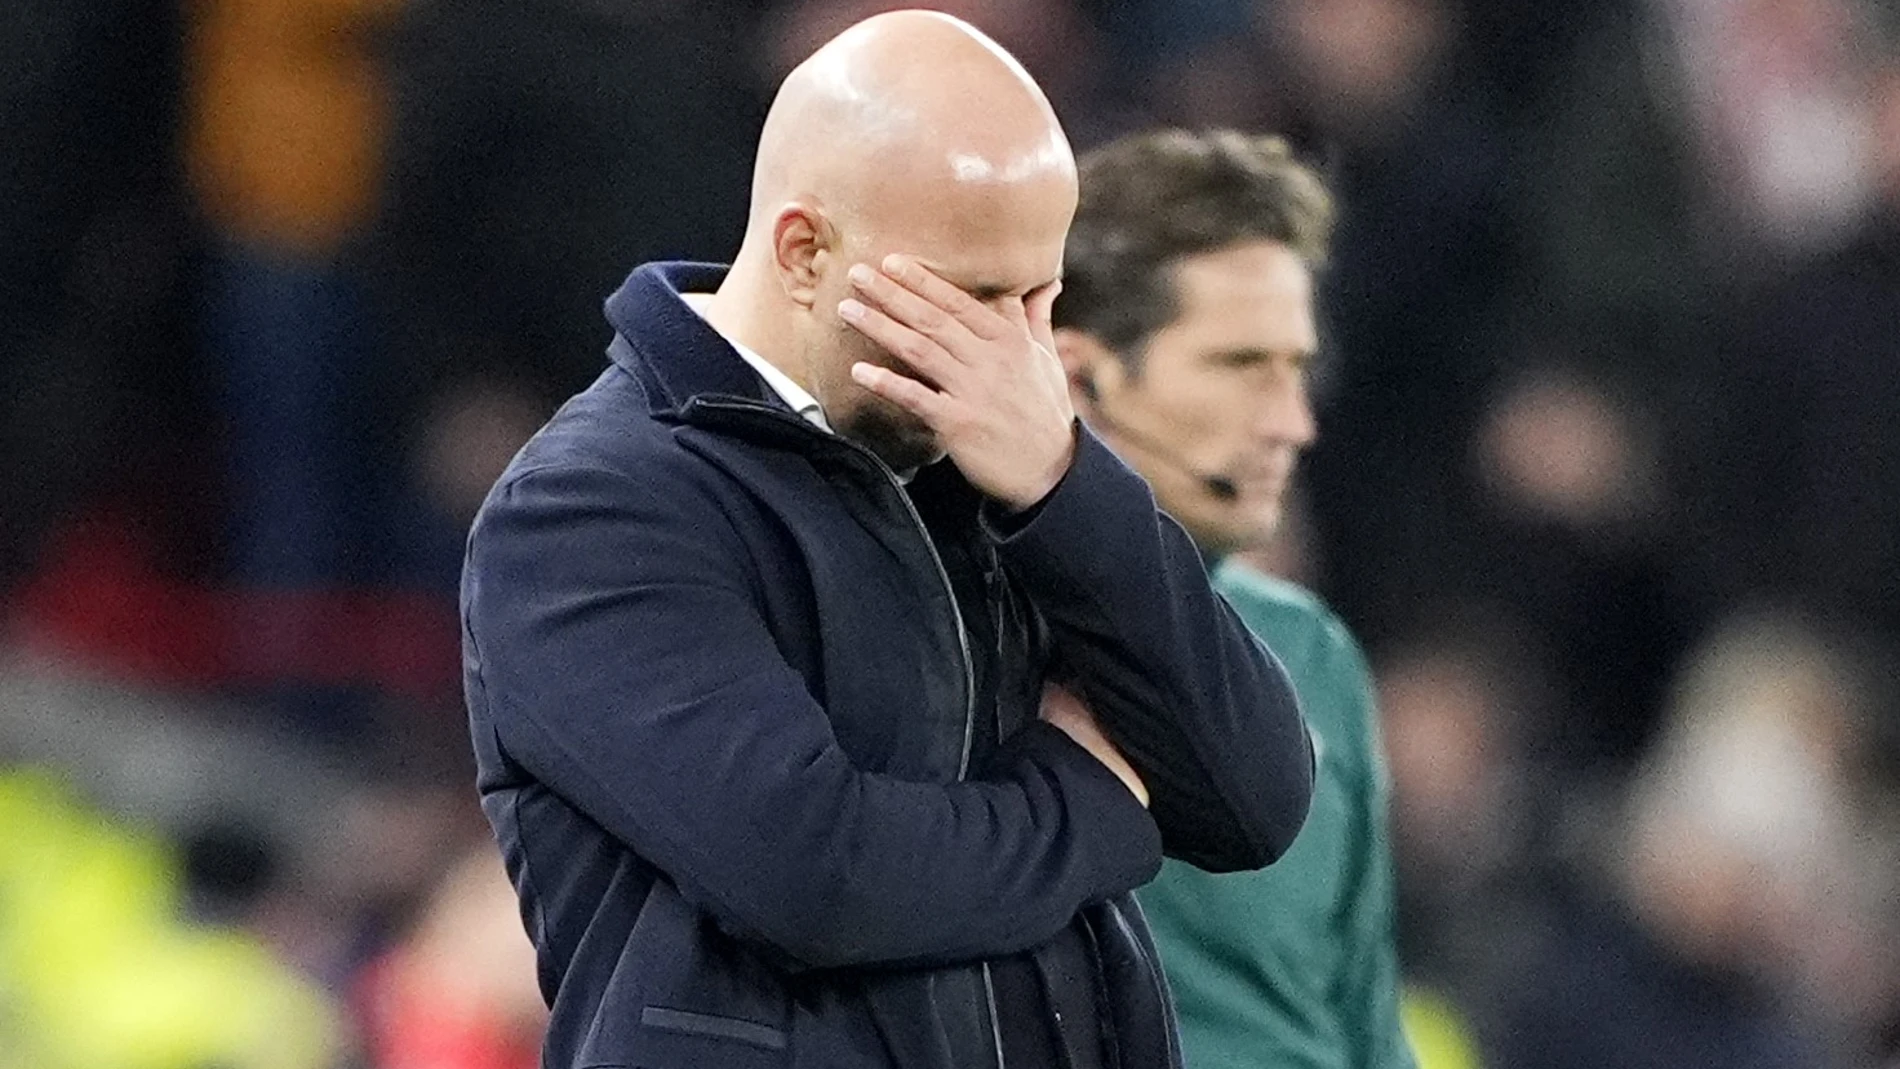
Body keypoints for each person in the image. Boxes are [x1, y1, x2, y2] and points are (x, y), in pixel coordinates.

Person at [459, 13, 1315, 1069]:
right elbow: (814, 874)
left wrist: (1066, 486)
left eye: (1043, 297)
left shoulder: (1007, 462)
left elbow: (1254, 793)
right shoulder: (594, 508)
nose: (1021, 350)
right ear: (806, 251)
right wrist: (1086, 803)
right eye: (977, 296)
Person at [1051, 128, 1415, 1069]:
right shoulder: (958, 630)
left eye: (1297, 368)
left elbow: (1366, 1019)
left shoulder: (1312, 652)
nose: (1292, 424)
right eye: (1242, 365)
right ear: (1079, 371)